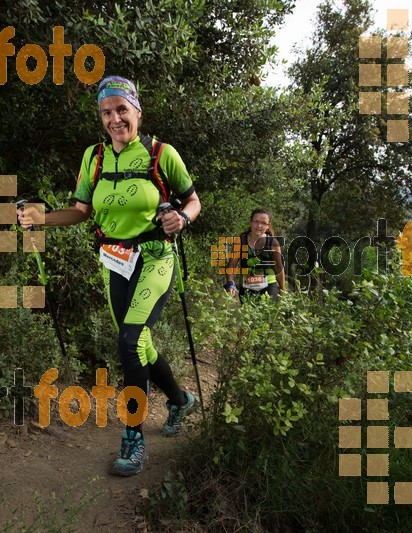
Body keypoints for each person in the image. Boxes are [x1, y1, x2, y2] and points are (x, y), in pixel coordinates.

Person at [18, 76, 201, 477]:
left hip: (155, 257)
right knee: (140, 343)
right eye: (106, 112)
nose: (115, 118)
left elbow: (193, 199)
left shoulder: (161, 153)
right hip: (114, 261)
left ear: (137, 111)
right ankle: (180, 399)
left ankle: (134, 439)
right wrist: (41, 219)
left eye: (122, 109)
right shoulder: (94, 158)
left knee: (130, 339)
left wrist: (182, 218)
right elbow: (81, 210)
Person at [224, 208, 285, 302]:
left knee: (267, 315)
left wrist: (282, 290)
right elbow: (232, 265)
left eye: (263, 223)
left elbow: (279, 268)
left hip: (268, 287)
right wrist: (230, 283)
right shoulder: (241, 241)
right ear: (251, 222)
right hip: (246, 287)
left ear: (268, 226)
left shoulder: (273, 243)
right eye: (256, 221)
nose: (259, 226)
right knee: (249, 316)